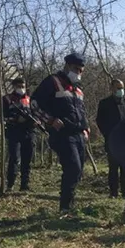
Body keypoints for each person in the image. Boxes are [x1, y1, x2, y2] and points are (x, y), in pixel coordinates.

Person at [31, 52, 89, 214]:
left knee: (78, 171)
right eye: (76, 69)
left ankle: (70, 203)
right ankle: (65, 207)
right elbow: (34, 104)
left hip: (78, 134)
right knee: (72, 167)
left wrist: (86, 127)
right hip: (62, 134)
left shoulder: (78, 90)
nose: (78, 73)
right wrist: (50, 120)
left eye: (81, 70)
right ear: (67, 66)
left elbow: (81, 111)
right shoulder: (52, 82)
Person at [96, 78, 125, 198]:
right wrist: (107, 134)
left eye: (122, 88)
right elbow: (99, 121)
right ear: (111, 88)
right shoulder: (104, 103)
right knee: (113, 168)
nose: (120, 90)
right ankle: (113, 193)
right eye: (118, 88)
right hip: (112, 140)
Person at [2, 77, 35, 192]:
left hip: (29, 131)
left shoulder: (30, 99)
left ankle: (24, 185)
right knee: (14, 158)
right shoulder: (7, 99)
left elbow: (35, 113)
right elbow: (4, 116)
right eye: (18, 87)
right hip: (14, 132)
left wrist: (36, 121)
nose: (21, 89)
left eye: (23, 86)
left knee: (27, 159)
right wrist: (16, 119)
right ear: (14, 87)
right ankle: (10, 184)